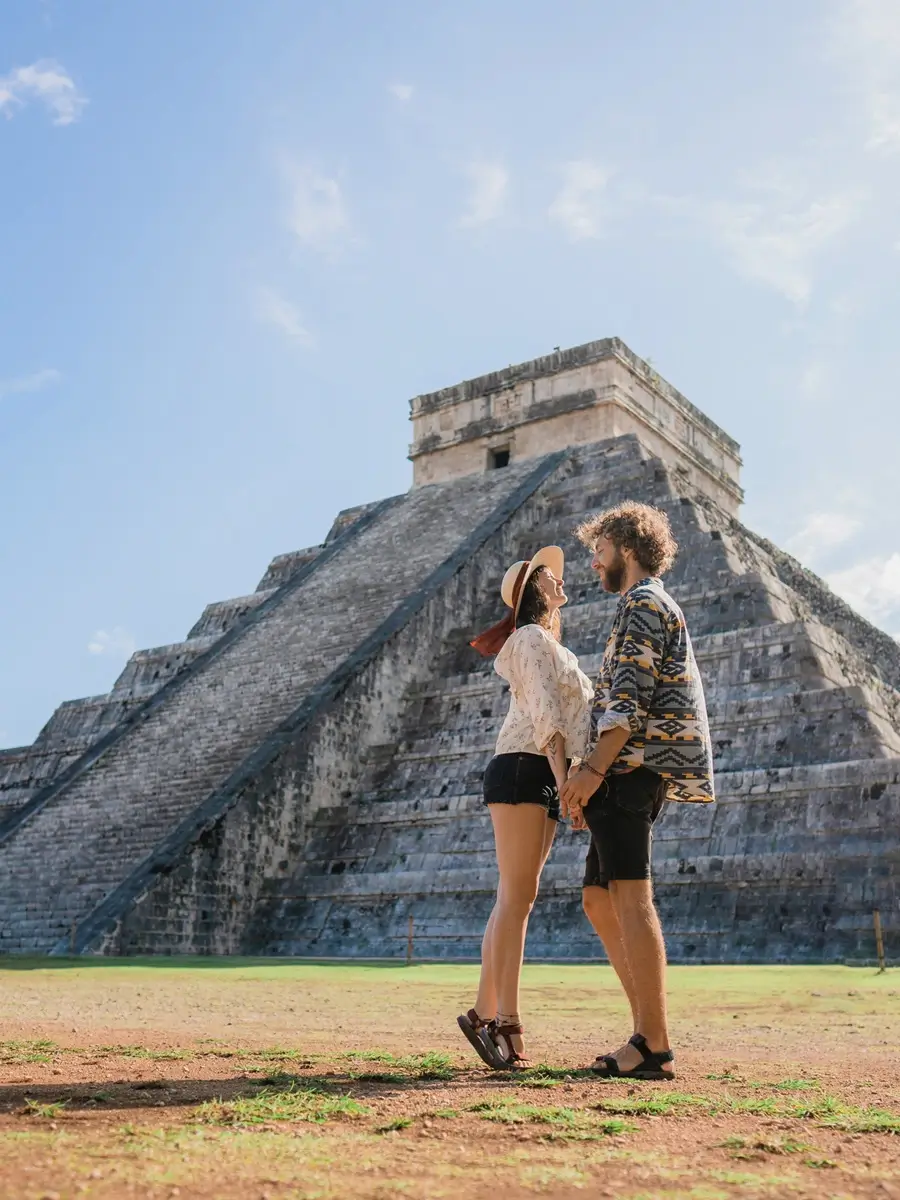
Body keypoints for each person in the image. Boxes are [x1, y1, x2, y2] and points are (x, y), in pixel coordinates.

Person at [560, 502, 714, 1081]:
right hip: (623, 774)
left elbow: (627, 705)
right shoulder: (644, 604)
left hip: (626, 772)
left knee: (630, 898)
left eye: (598, 550)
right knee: (599, 901)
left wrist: (590, 772)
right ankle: (646, 1028)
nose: (593, 563)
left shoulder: (643, 604)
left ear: (625, 547)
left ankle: (654, 1044)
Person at [458, 546, 593, 1070]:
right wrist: (566, 782)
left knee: (517, 898)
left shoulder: (545, 641)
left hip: (538, 767)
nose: (562, 582)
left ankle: (482, 1011)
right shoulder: (531, 638)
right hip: (523, 764)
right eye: (551, 578)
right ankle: (506, 1022)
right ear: (537, 590)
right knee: (515, 899)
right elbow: (545, 709)